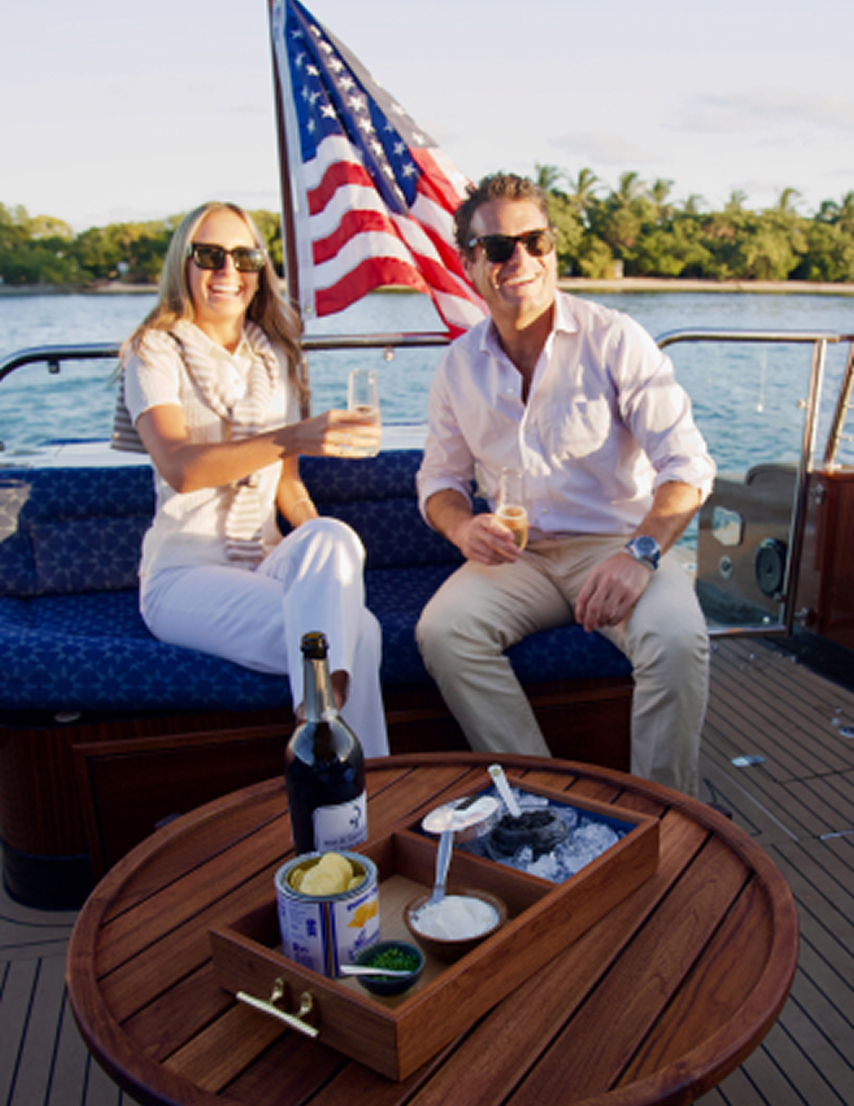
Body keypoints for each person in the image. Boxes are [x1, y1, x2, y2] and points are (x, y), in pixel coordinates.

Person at [415, 173, 715, 795]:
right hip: (517, 559)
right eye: (498, 248)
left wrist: (641, 553)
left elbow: (687, 466)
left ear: (553, 248)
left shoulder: (615, 339)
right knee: (444, 632)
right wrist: (462, 524)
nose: (519, 259)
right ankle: (539, 797)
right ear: (470, 262)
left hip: (620, 543)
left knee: (677, 639)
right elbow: (439, 481)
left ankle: (665, 812)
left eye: (535, 240)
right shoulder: (457, 365)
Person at [118, 200, 388, 756]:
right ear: (183, 264)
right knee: (360, 632)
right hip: (184, 572)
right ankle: (351, 775)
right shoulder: (154, 349)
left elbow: (287, 487)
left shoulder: (279, 356)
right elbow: (180, 467)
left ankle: (321, 752)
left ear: (261, 269)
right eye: (209, 255)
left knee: (334, 537)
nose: (228, 271)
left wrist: (329, 554)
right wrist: (293, 436)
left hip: (264, 561)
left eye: (244, 257)